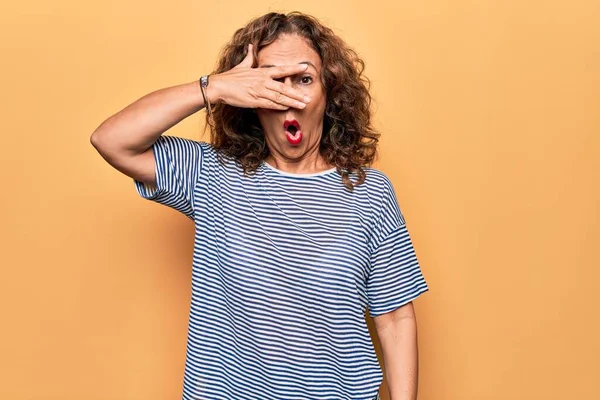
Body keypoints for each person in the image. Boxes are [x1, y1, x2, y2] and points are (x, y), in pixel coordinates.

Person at [91, 11, 428, 400]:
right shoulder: (210, 175)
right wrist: (212, 88)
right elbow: (112, 140)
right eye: (270, 81)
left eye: (304, 79)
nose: (287, 97)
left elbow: (395, 317)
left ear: (329, 92)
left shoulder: (370, 192)